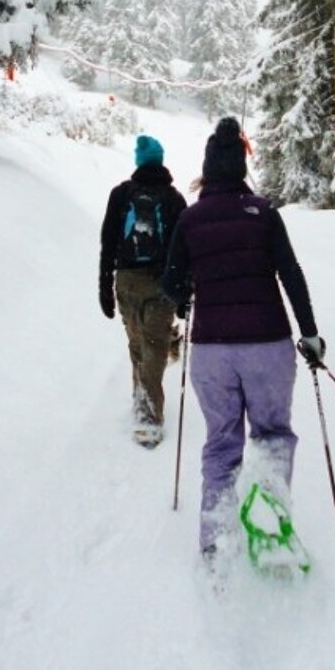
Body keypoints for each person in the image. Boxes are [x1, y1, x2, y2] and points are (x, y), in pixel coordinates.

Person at [161, 117, 326, 560]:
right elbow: (291, 276)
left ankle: (215, 539)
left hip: (212, 353)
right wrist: (310, 335)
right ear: (241, 169)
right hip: (267, 346)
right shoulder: (264, 214)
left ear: (207, 170)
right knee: (271, 434)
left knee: (222, 441)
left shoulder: (190, 220)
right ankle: (270, 531)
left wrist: (188, 297)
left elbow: (171, 284)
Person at [99, 135, 188, 447]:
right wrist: (183, 294)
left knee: (137, 343)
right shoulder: (174, 199)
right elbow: (183, 250)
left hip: (126, 280)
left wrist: (104, 288)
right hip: (161, 282)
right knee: (154, 345)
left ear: (139, 160)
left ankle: (144, 403)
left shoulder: (121, 194)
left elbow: (108, 242)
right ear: (160, 160)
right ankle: (147, 414)